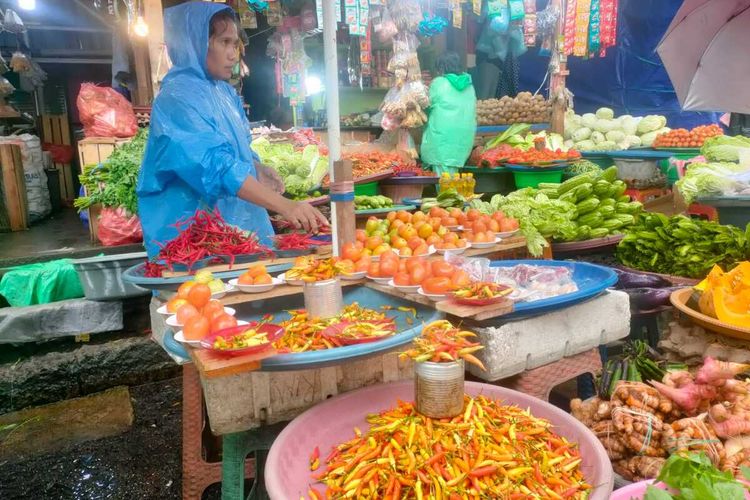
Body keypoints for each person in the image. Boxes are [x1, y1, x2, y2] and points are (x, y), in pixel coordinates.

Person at [137, 2, 327, 258]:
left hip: (238, 234)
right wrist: (285, 206)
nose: (233, 54)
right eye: (224, 42)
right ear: (194, 43)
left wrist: (256, 166)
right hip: (192, 244)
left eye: (235, 44)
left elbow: (236, 148)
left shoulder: (224, 93)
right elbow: (214, 166)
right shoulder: (177, 99)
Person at [420, 53, 477, 175]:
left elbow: (426, 105)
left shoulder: (439, 83)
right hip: (463, 136)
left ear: (441, 68)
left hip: (443, 136)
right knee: (455, 176)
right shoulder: (469, 84)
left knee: (444, 180)